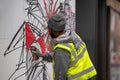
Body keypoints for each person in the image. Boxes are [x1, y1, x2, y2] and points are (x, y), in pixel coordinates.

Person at [30, 13, 97, 80]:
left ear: (54, 30)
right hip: (89, 76)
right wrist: (42, 55)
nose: (48, 31)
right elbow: (64, 57)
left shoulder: (61, 49)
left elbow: (60, 76)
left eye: (49, 29)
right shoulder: (73, 37)